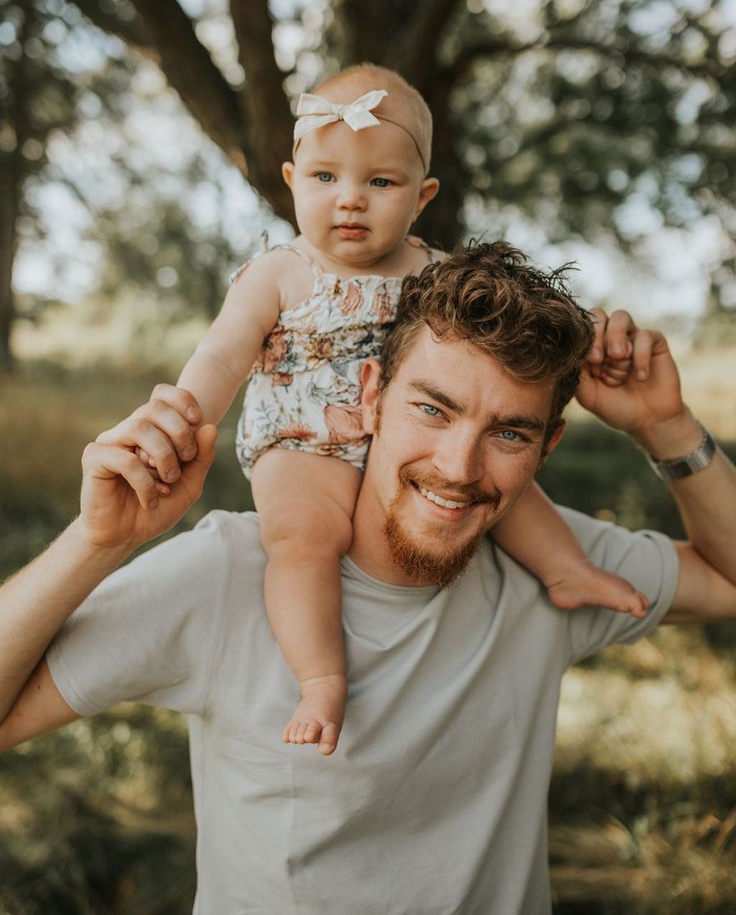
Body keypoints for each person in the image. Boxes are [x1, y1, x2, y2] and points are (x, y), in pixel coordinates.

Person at [1, 241, 735, 915]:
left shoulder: (551, 565)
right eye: (431, 409)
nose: (458, 467)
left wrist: (665, 427)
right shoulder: (230, 573)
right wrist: (97, 543)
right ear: (371, 393)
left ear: (549, 446)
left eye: (509, 432)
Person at [154, 63, 647, 756]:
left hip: (408, 432)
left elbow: (506, 318)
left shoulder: (436, 270)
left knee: (510, 485)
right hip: (305, 439)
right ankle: (322, 676)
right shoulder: (281, 272)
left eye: (380, 183)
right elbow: (223, 355)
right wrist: (182, 416)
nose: (350, 201)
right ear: (293, 182)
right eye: (326, 179)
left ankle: (566, 570)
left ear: (422, 197)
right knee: (301, 541)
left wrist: (584, 329)